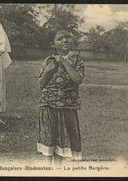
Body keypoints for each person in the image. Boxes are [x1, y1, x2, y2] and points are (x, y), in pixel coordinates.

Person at [37, 29, 85, 168]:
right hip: (47, 104)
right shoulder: (48, 60)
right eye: (60, 39)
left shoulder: (76, 59)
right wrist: (47, 71)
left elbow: (78, 79)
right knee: (48, 137)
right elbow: (41, 84)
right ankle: (47, 169)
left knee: (62, 138)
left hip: (67, 105)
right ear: (53, 43)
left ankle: (57, 170)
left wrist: (64, 62)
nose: (64, 40)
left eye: (67, 37)